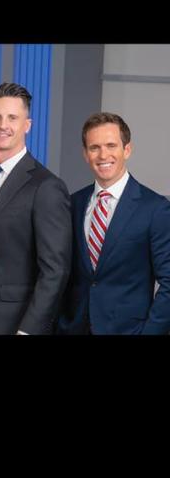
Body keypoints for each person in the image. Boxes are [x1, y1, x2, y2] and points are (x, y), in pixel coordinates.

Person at [0, 82, 71, 335]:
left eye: (12, 117)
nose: (3, 125)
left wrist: (29, 330)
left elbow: (55, 271)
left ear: (27, 125)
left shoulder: (46, 187)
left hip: (15, 325)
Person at [57, 112, 170, 334]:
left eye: (111, 145)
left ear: (127, 150)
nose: (103, 155)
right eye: (94, 147)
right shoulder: (74, 204)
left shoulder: (155, 209)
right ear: (85, 154)